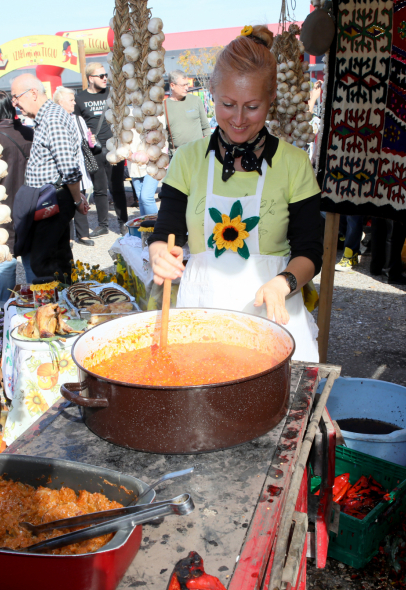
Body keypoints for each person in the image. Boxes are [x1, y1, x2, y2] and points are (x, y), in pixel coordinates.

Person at [148, 25, 323, 362]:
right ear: (211, 92)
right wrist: (159, 254)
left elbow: (310, 251)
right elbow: (165, 234)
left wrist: (283, 282)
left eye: (252, 106)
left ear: (271, 99)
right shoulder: (187, 160)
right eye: (228, 104)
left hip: (273, 314)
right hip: (203, 308)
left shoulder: (294, 164)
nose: (239, 119)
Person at [12, 74, 89, 282]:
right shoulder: (46, 117)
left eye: (16, 97)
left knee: (44, 262)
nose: (15, 103)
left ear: (33, 93)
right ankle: (64, 304)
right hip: (51, 197)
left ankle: (55, 309)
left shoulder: (53, 118)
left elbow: (69, 168)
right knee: (57, 257)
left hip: (54, 199)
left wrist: (76, 199)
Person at [0, 90, 36, 306]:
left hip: (2, 207)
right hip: (30, 203)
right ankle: (38, 301)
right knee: (29, 256)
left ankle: (4, 306)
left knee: (6, 259)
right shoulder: (29, 133)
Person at [74, 62, 127, 237]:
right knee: (99, 189)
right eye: (101, 76)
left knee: (117, 187)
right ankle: (103, 224)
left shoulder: (111, 94)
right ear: (90, 78)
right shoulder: (80, 99)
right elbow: (77, 124)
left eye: (106, 75)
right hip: (94, 150)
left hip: (114, 147)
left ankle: (123, 223)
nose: (105, 79)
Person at [53, 86, 94, 247]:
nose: (74, 103)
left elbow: (86, 141)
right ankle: (68, 236)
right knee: (64, 201)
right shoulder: (54, 120)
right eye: (71, 100)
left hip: (78, 166)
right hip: (61, 169)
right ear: (60, 102)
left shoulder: (78, 119)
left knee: (81, 197)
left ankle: (83, 234)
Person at [164, 71, 211, 153]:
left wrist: (210, 147)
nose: (186, 88)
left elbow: (206, 127)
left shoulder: (196, 100)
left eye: (187, 84)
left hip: (198, 153)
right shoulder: (164, 106)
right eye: (183, 85)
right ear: (172, 85)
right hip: (177, 156)